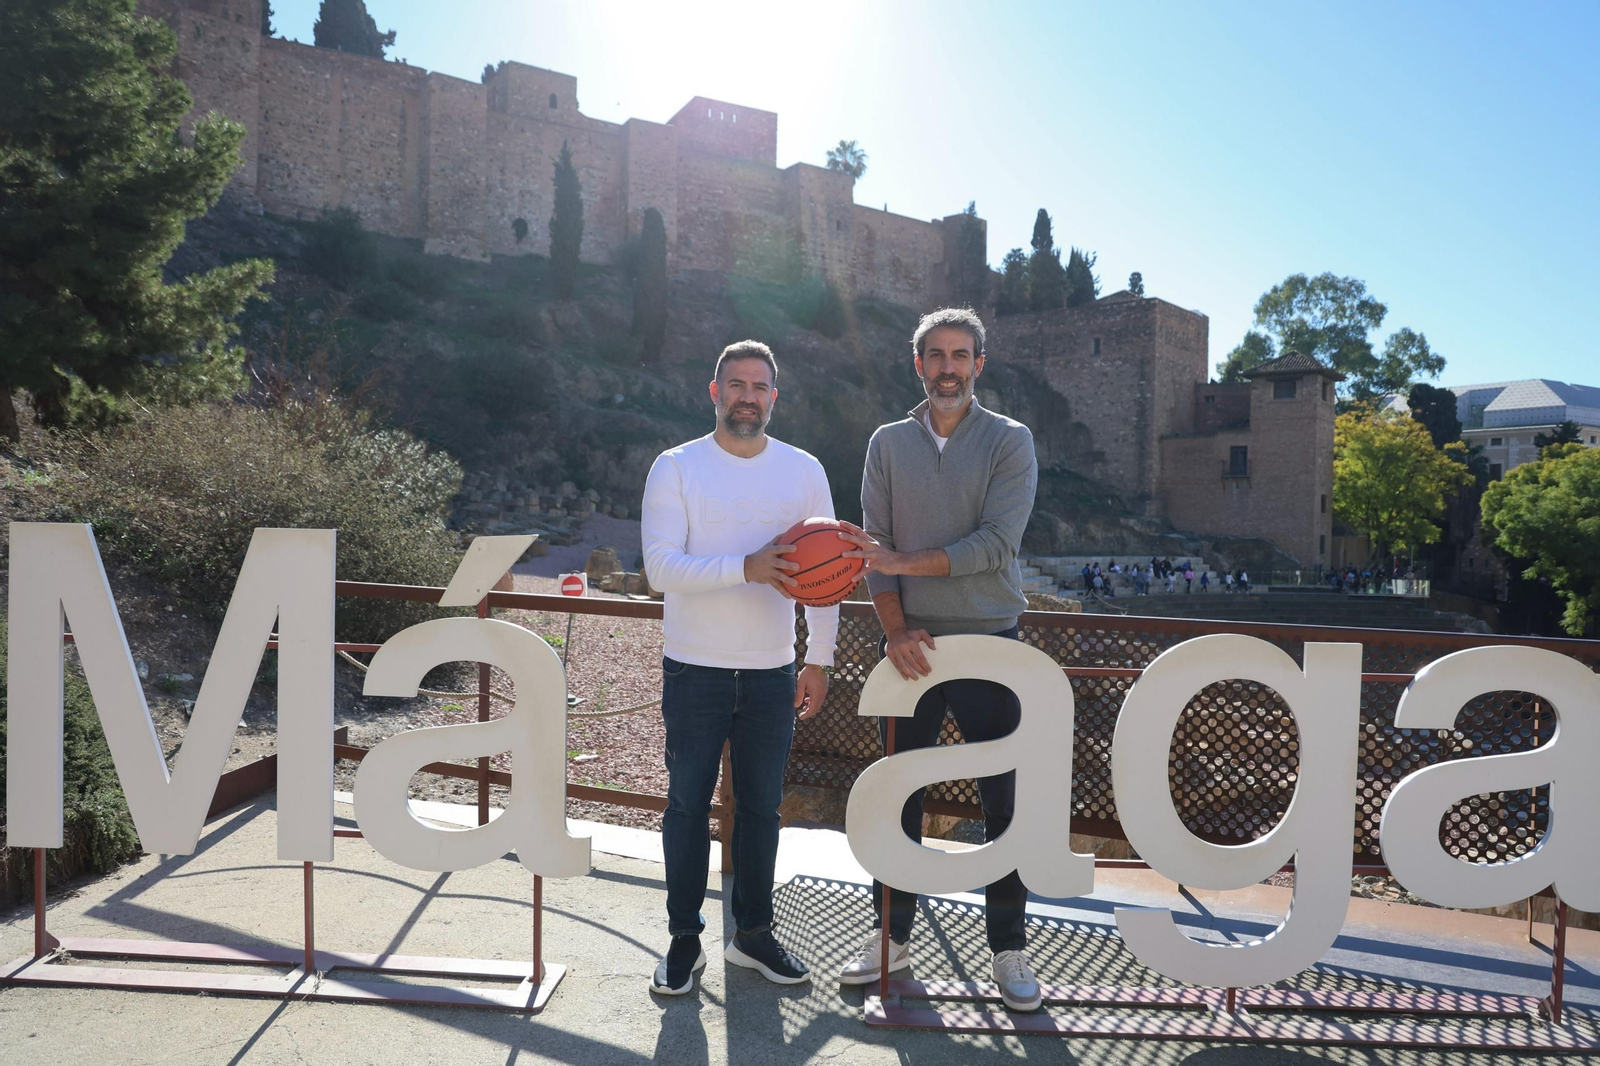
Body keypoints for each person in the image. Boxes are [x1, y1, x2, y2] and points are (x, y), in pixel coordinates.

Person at [836, 307, 1044, 1012]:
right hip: (910, 647)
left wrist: (900, 560)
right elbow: (873, 550)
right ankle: (891, 938)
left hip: (991, 640)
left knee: (1004, 804)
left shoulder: (1010, 441)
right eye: (936, 355)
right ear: (917, 363)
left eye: (961, 355)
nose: (948, 367)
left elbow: (996, 546)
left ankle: (1009, 950)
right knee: (899, 799)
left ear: (979, 364)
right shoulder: (887, 444)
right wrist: (893, 629)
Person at [640, 340, 838, 996]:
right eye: (736, 384)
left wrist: (820, 658)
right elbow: (660, 568)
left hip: (771, 672)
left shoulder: (804, 470)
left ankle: (753, 936)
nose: (747, 395)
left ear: (773, 398)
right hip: (693, 670)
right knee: (686, 807)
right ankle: (684, 941)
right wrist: (746, 568)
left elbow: (830, 571)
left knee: (760, 810)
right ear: (714, 391)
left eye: (759, 386)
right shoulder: (676, 467)